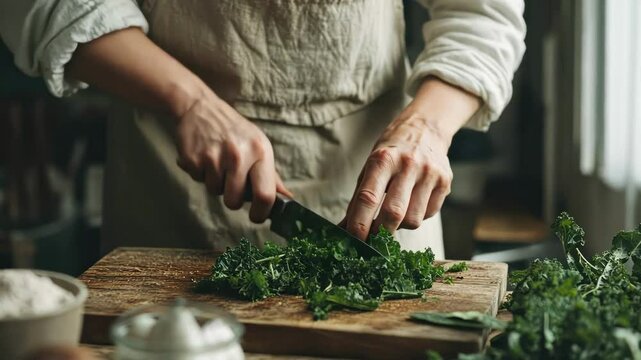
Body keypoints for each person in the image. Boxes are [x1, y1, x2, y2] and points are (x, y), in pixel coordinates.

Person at [0, 1, 525, 259]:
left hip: (376, 183)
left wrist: (426, 127)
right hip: (170, 181)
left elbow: (483, 12)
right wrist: (190, 103)